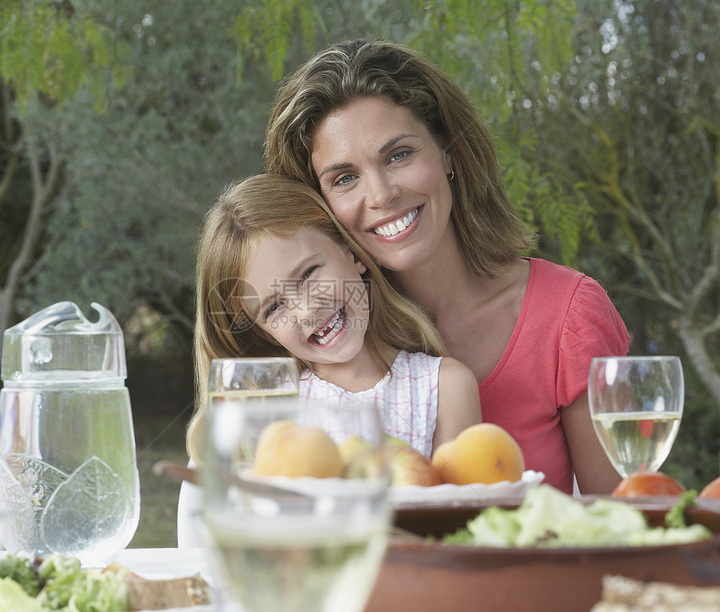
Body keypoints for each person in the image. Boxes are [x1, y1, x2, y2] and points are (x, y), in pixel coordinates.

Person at [263, 39, 630, 495]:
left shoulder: (569, 316)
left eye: (398, 155)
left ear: (447, 152)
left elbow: (623, 524)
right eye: (344, 178)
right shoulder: (320, 342)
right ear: (319, 205)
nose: (380, 195)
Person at [177, 174, 481, 546]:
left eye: (308, 274)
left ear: (351, 253)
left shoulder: (445, 387)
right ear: (261, 331)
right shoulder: (262, 412)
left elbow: (461, 538)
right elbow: (212, 551)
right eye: (274, 307)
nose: (306, 310)